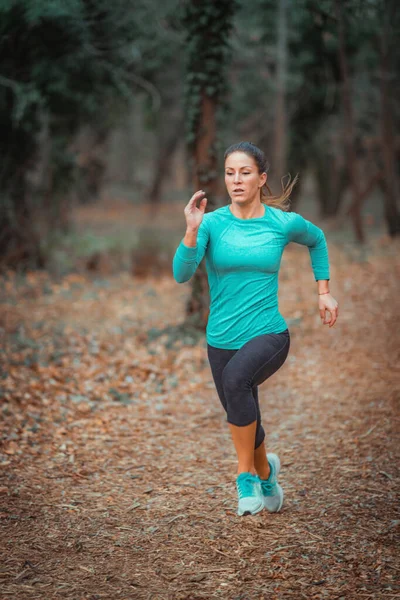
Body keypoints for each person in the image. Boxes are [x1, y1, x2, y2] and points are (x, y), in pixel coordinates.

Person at [172, 141, 338, 517]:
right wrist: (191, 231)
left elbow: (318, 239)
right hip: (221, 339)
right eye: (230, 172)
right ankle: (267, 473)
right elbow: (181, 274)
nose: (236, 180)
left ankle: (244, 477)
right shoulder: (211, 223)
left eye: (245, 172)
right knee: (243, 411)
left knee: (236, 384)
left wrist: (323, 291)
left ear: (261, 179)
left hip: (269, 333)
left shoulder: (281, 223)